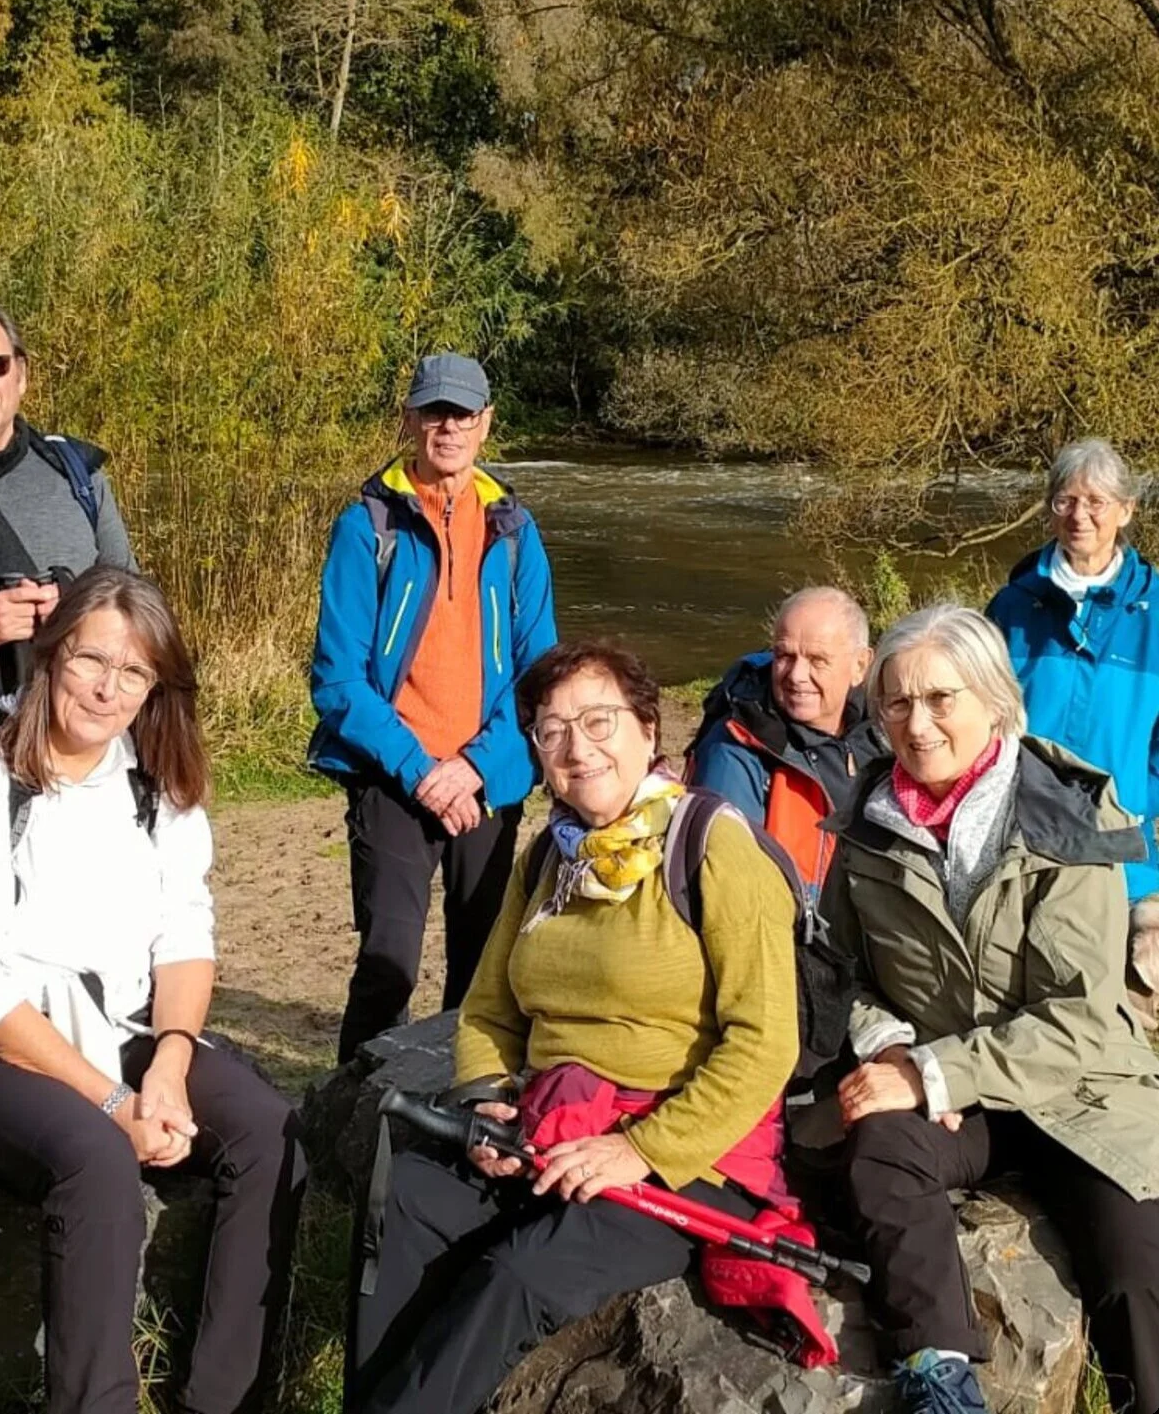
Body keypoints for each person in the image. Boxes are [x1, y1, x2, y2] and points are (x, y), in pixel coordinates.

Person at [346, 639, 802, 1414]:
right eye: (552, 731)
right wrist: (489, 1096)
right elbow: (490, 1008)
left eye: (599, 721)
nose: (576, 747)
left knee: (520, 1273)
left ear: (649, 729)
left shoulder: (713, 845)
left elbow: (765, 1040)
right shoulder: (548, 859)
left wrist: (638, 1150)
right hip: (553, 1125)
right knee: (413, 1200)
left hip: (687, 1152)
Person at [0, 568, 305, 1414]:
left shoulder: (155, 778)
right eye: (91, 659)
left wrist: (173, 1061)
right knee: (96, 1159)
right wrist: (116, 1103)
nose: (109, 689)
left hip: (122, 1023)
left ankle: (220, 1400)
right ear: (51, 653)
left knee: (269, 1132)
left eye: (135, 672)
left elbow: (185, 932)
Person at [823, 603, 1159, 1414]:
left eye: (942, 698)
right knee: (876, 1150)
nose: (918, 722)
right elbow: (838, 969)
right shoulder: (866, 825)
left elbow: (1080, 1015)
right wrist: (894, 1048)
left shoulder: (1070, 814)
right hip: (945, 1094)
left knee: (1133, 1269)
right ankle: (940, 1376)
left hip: (1079, 1086)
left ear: (995, 701)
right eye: (897, 703)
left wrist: (933, 1070)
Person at [310, 352, 557, 1063]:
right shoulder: (368, 527)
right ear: (410, 419)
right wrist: (422, 771)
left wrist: (478, 765)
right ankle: (352, 1110)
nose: (447, 427)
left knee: (482, 964)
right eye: (434, 411)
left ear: (486, 424)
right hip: (394, 777)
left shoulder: (515, 531)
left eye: (463, 414)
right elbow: (338, 678)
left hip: (487, 778)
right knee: (388, 959)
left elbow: (542, 674)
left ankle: (458, 1108)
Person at [987, 438, 1159, 1022]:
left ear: (1126, 510)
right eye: (1065, 500)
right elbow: (985, 714)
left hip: (1119, 833)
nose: (1079, 516)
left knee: (1117, 1011)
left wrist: (1142, 803)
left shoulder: (1156, 613)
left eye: (1096, 502)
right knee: (1023, 992)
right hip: (1023, 829)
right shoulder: (1013, 606)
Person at [0, 294, 135, 711]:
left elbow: (134, 604)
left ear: (20, 374)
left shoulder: (77, 473)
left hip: (74, 732)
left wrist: (75, 606)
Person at [687, 586, 880, 893]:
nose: (796, 675)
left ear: (859, 666)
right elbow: (724, 885)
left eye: (817, 660)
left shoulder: (886, 729)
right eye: (785, 656)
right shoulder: (733, 751)